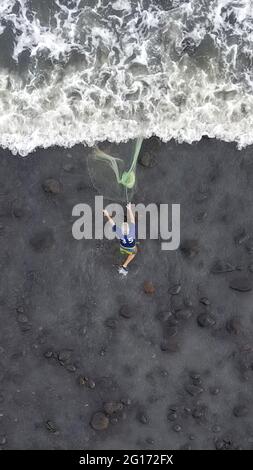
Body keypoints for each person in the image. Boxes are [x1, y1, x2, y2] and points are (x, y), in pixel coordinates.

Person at [103, 203, 137, 276]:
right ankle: (124, 266)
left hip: (123, 247)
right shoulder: (132, 231)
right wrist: (129, 209)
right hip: (130, 247)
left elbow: (112, 223)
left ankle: (123, 254)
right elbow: (132, 220)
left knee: (125, 249)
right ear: (129, 229)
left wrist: (107, 214)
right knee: (134, 253)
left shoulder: (119, 233)